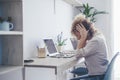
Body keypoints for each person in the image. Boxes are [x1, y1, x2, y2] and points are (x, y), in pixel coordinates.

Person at [71, 13, 109, 80]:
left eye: (78, 35)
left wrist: (82, 38)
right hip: (99, 73)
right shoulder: (97, 36)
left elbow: (77, 54)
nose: (77, 39)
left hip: (98, 76)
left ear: (84, 31)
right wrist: (83, 38)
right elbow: (82, 52)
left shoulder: (95, 41)